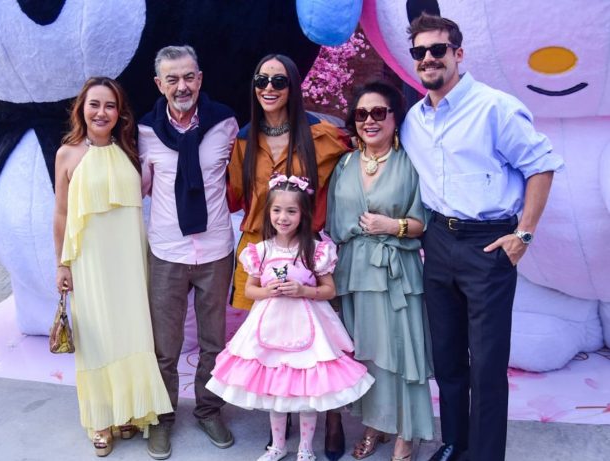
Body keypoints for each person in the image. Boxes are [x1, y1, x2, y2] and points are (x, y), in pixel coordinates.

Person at [401, 13, 565, 461]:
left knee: (488, 365)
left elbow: (542, 165)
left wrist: (523, 234)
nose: (428, 58)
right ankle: (455, 444)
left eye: (438, 49)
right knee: (448, 358)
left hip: (488, 245)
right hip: (438, 241)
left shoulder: (495, 107)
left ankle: (486, 455)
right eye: (419, 52)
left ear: (458, 53)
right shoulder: (414, 120)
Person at [227, 53, 350, 459]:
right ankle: (281, 425)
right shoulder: (244, 140)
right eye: (261, 80)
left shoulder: (323, 136)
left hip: (307, 253)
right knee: (272, 340)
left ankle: (330, 417)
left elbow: (354, 165)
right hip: (261, 249)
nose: (268, 88)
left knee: (320, 344)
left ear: (293, 87)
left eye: (278, 81)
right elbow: (234, 195)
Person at [207, 174, 374, 461]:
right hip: (269, 327)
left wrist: (303, 290)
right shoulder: (260, 251)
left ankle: (305, 447)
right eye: (277, 210)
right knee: (277, 392)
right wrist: (267, 291)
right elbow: (249, 289)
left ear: (303, 214)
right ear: (268, 212)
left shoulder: (315, 250)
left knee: (306, 392)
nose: (283, 217)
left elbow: (329, 289)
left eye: (291, 211)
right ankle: (277, 445)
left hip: (308, 327)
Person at [53, 77, 173, 457]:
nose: (101, 112)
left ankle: (130, 410)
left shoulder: (130, 150)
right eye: (94, 104)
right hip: (89, 262)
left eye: (109, 105)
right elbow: (61, 214)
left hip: (129, 260)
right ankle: (102, 419)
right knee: (98, 337)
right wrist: (62, 265)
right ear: (82, 109)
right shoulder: (67, 154)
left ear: (119, 112)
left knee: (132, 332)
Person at [138, 45, 239, 460]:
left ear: (200, 79)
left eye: (189, 77)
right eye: (172, 79)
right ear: (159, 84)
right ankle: (163, 417)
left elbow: (239, 179)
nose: (182, 86)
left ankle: (208, 410)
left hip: (215, 249)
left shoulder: (225, 123)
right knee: (166, 347)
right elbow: (139, 188)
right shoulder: (145, 132)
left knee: (214, 342)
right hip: (167, 251)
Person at [326, 81, 435, 461]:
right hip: (354, 272)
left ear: (394, 117)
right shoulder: (344, 165)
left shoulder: (411, 164)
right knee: (367, 354)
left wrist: (393, 226)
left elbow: (424, 223)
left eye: (378, 112)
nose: (369, 121)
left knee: (403, 353)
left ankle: (407, 434)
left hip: (396, 274)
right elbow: (335, 225)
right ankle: (376, 424)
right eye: (361, 114)